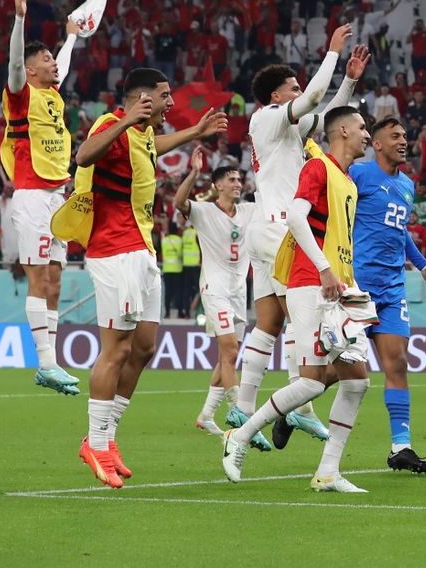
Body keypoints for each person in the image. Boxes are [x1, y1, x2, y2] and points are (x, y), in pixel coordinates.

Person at [62, 68, 227, 488]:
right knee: (115, 350)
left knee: (145, 347)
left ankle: (108, 437)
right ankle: (95, 444)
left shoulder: (143, 135)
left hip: (142, 250)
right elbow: (83, 157)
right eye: (165, 95)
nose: (172, 103)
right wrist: (125, 119)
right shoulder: (113, 124)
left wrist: (195, 132)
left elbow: (156, 145)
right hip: (114, 251)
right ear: (143, 99)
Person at [222, 106, 375, 493]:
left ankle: (328, 471)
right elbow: (295, 216)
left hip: (339, 289)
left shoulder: (348, 182)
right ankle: (238, 437)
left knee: (356, 382)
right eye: (361, 128)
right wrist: (324, 268)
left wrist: (345, 280)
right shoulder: (317, 168)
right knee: (310, 382)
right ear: (341, 130)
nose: (366, 135)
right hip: (310, 284)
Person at [232, 35, 368, 451]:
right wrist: (331, 52)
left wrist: (348, 82)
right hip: (278, 228)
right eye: (292, 86)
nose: (299, 91)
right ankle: (300, 405)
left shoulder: (284, 129)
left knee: (270, 320)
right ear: (276, 95)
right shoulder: (269, 117)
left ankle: (242, 405)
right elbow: (311, 100)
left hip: (265, 227)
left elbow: (328, 119)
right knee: (302, 313)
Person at [349, 116, 426, 473]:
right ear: (376, 144)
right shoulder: (358, 175)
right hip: (356, 288)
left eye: (405, 135)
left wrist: (422, 265)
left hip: (391, 289)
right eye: (395, 136)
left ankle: (400, 447)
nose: (403, 141)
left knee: (398, 364)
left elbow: (401, 230)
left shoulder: (407, 185)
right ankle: (293, 409)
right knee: (336, 372)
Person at [4, 0, 83, 394]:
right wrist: (19, 20)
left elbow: (64, 64)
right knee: (38, 278)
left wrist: (70, 35)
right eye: (47, 59)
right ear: (32, 69)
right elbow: (17, 62)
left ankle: (52, 362)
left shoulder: (52, 94)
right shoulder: (20, 95)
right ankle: (45, 363)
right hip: (33, 194)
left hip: (57, 196)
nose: (54, 63)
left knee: (54, 280)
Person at [174, 147, 256, 437]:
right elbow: (179, 201)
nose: (237, 184)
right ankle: (240, 412)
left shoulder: (249, 210)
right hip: (214, 290)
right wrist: (194, 172)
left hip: (238, 293)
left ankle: (207, 415)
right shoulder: (204, 211)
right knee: (231, 350)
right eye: (231, 180)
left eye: (239, 180)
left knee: (227, 359)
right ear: (218, 185)